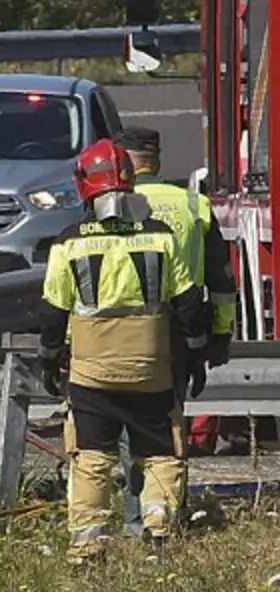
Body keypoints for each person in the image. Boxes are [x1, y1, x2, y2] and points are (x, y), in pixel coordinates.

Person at [39, 138, 208, 562]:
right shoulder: (160, 238)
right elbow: (189, 304)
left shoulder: (68, 242)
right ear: (131, 182)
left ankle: (86, 547)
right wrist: (196, 355)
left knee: (91, 457)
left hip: (91, 373)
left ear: (84, 186)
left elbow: (53, 312)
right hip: (151, 368)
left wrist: (47, 359)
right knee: (161, 453)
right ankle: (160, 533)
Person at [112, 126, 237, 536]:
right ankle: (165, 514)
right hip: (180, 333)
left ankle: (136, 517)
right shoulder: (192, 203)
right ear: (157, 162)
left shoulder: (109, 205)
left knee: (129, 429)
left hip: (119, 331)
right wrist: (218, 337)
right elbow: (220, 279)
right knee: (168, 425)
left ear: (123, 163)